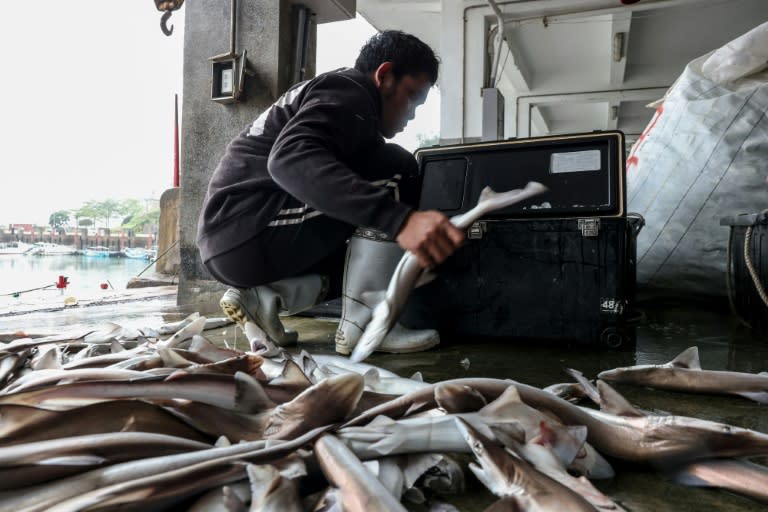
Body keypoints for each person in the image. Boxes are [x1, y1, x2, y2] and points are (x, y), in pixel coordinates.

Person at [197, 30, 464, 355]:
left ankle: (264, 297)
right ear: (384, 76)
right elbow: (288, 159)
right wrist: (400, 221)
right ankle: (365, 326)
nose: (411, 113)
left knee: (364, 248)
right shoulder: (350, 93)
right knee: (400, 169)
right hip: (248, 228)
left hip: (233, 240)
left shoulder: (339, 100)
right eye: (411, 96)